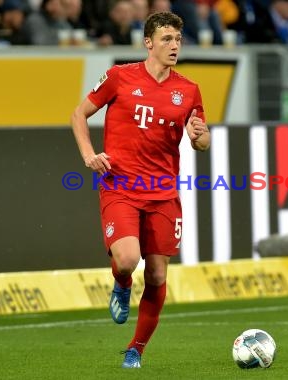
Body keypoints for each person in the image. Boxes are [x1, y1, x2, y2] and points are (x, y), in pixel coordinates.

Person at [70, 11, 210, 368]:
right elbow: (78, 114)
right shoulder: (119, 77)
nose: (174, 45)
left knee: (158, 274)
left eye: (178, 39)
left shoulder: (188, 90)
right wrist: (89, 155)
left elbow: (201, 139)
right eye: (166, 39)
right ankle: (120, 282)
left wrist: (200, 139)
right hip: (121, 186)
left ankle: (136, 348)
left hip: (163, 192)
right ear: (148, 43)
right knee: (129, 259)